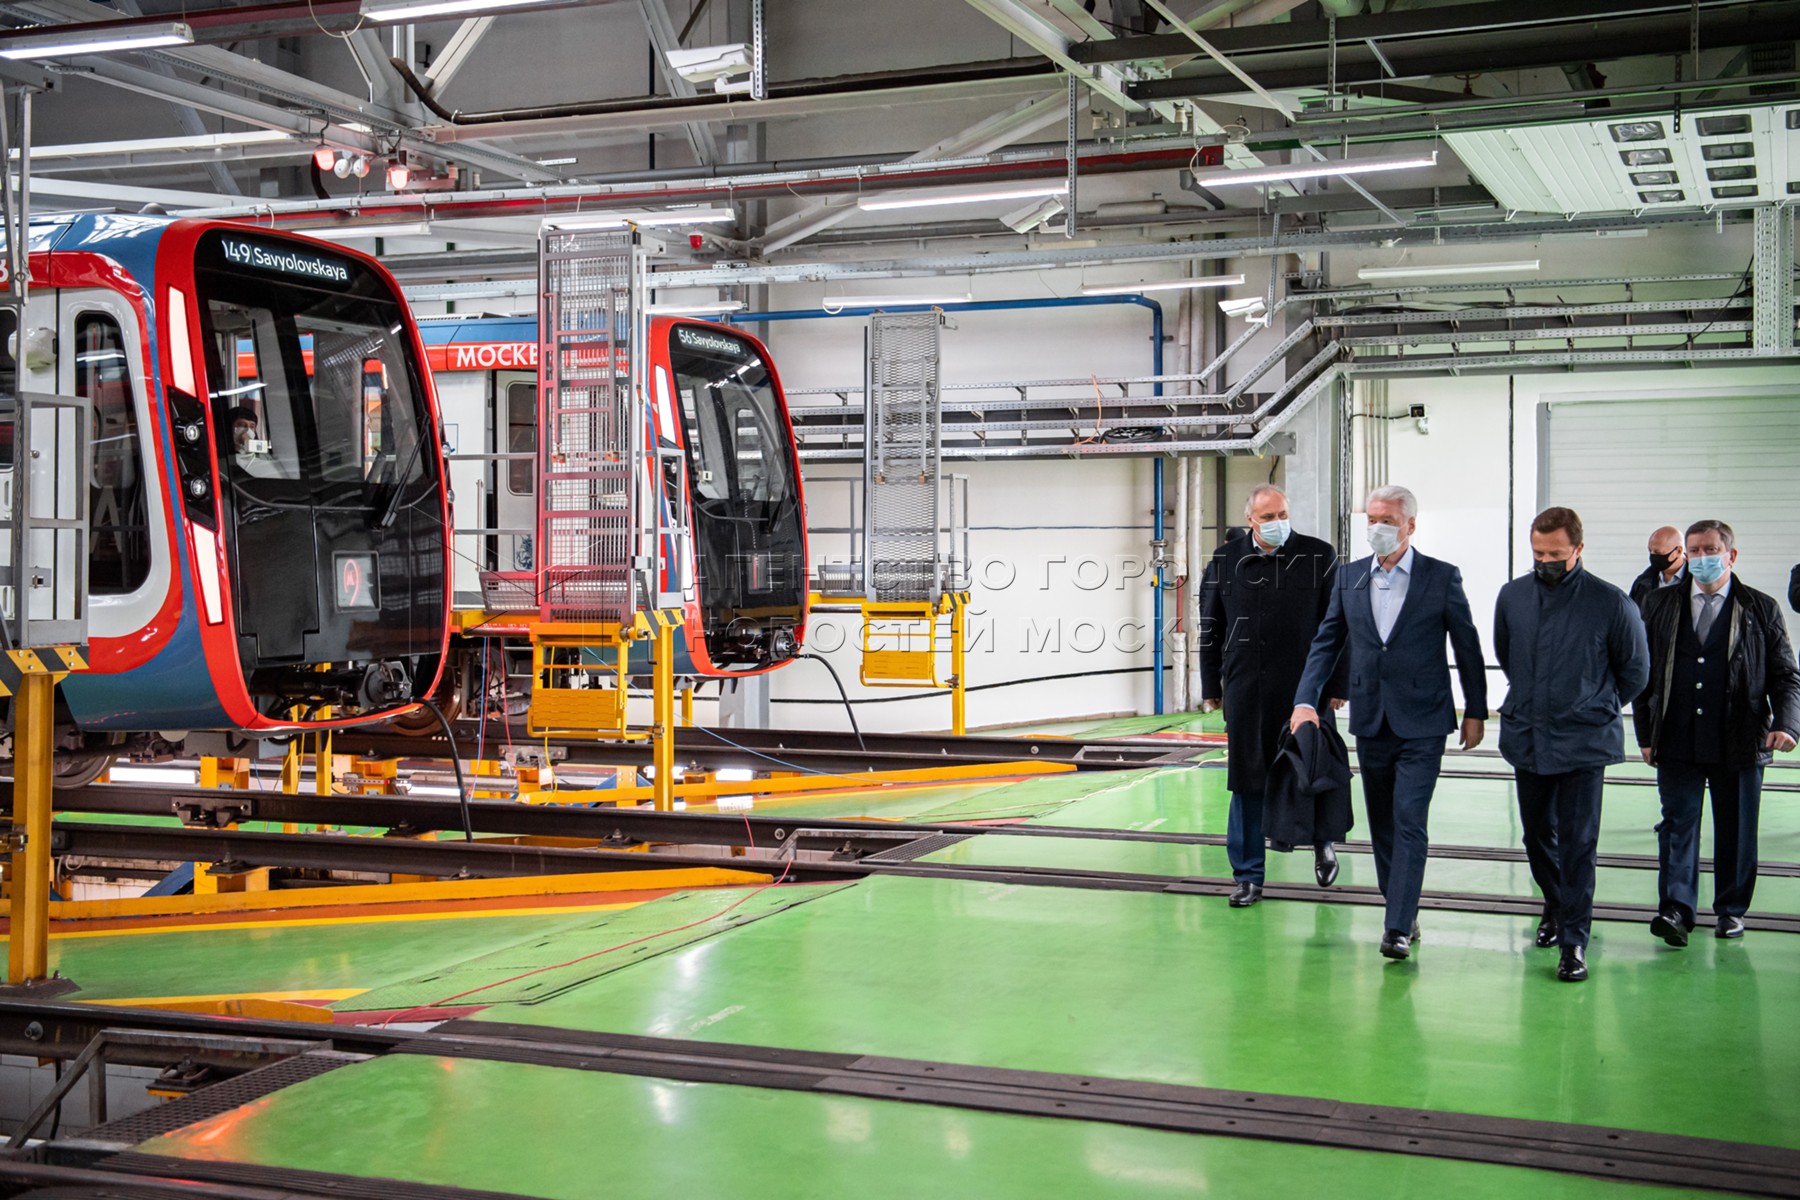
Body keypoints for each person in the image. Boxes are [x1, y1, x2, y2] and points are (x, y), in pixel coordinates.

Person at [1290, 484, 1488, 962]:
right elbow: (1326, 641)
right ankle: (1402, 906)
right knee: (1382, 825)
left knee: (1409, 819)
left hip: (1424, 719)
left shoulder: (1440, 577)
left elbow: (1467, 645)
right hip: (1371, 718)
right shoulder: (1350, 577)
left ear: (1410, 525)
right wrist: (1304, 700)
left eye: (1388, 521)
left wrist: (1476, 710)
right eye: (1372, 519)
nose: (1377, 528)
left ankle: (1396, 925)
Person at [1492, 507, 1649, 982]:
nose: (1545, 562)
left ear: (1578, 549)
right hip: (1528, 736)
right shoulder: (1513, 596)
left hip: (1584, 742)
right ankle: (1557, 904)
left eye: (1555, 554)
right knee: (1537, 835)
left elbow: (1635, 672)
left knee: (1579, 843)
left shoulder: (1611, 603)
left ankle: (1574, 941)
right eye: (1538, 553)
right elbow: (1507, 654)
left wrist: (1593, 703)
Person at [1635, 520, 1800, 944]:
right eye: (1694, 550)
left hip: (1740, 736)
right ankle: (1676, 909)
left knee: (1737, 828)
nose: (1701, 558)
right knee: (1677, 824)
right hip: (1677, 735)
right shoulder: (1658, 604)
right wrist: (1645, 734)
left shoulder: (1761, 608)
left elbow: (1786, 674)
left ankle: (1731, 909)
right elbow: (1643, 674)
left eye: (1710, 549)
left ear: (1731, 555)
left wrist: (1787, 723)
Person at [1199, 484, 1349, 907]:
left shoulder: (1319, 555)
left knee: (1314, 770)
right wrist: (1211, 685)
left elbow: (1338, 625)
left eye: (1282, 514)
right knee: (1247, 781)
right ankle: (1248, 875)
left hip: (1306, 689)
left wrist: (1337, 685)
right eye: (1268, 517)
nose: (1277, 522)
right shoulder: (1225, 561)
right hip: (1247, 689)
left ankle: (1323, 844)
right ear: (1250, 520)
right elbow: (1210, 626)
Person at [1629, 526, 1687, 609]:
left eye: (1658, 552)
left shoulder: (1696, 582)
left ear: (1678, 551)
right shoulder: (1642, 583)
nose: (1652, 556)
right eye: (1650, 551)